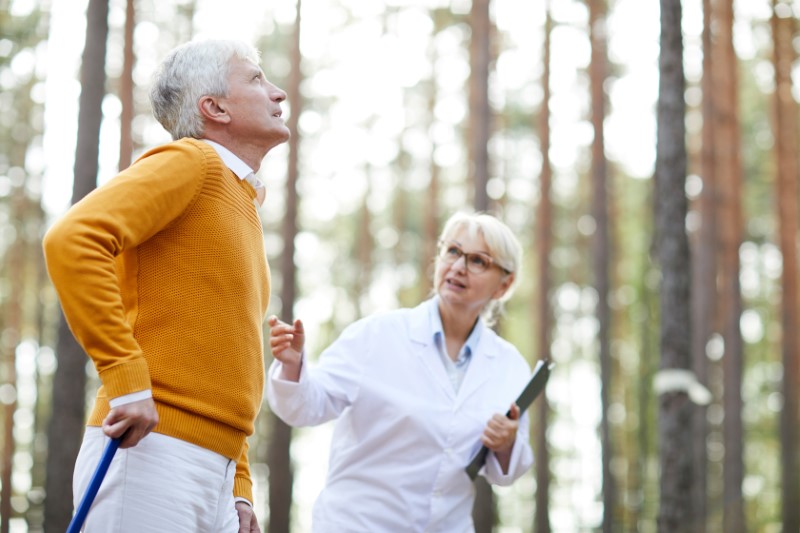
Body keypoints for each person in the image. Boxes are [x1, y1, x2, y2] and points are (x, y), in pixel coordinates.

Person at [43, 38, 290, 532]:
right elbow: (73, 238)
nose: (278, 93)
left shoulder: (242, 201)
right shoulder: (193, 162)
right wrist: (124, 377)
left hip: (212, 472)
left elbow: (225, 359)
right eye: (257, 79)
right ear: (214, 107)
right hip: (149, 452)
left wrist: (238, 484)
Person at [267, 211, 534, 532]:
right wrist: (294, 364)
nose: (459, 266)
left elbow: (505, 472)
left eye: (478, 260)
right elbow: (305, 407)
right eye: (453, 251)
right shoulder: (377, 336)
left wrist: (506, 445)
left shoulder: (509, 367)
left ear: (503, 285)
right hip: (358, 524)